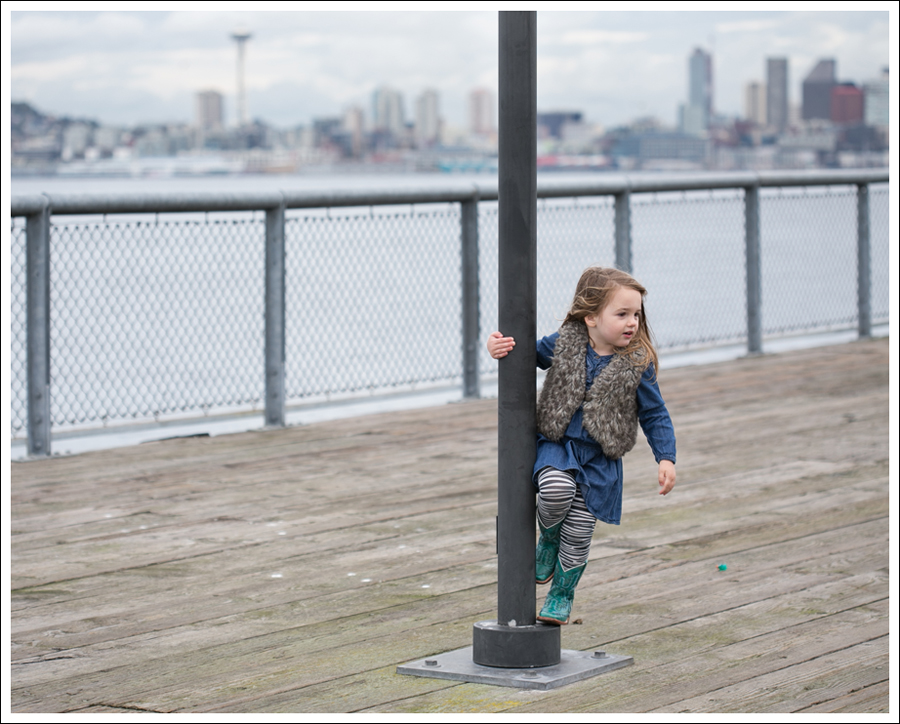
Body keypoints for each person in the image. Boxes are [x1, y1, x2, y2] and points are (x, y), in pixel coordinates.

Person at [487, 266, 676, 625]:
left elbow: (655, 414)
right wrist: (496, 347)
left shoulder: (637, 364)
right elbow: (525, 355)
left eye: (636, 314)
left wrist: (665, 458)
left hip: (600, 460)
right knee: (554, 491)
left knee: (578, 534)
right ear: (590, 317)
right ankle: (548, 538)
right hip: (559, 444)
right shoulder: (565, 342)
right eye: (622, 314)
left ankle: (562, 593)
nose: (632, 322)